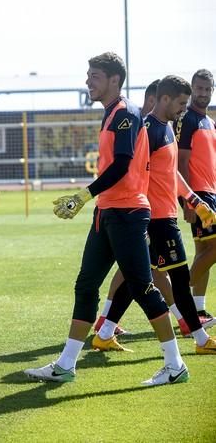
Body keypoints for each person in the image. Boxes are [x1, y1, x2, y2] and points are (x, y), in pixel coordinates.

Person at [24, 52, 188, 386]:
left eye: (94, 75)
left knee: (142, 287)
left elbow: (123, 163)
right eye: (88, 74)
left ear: (115, 80)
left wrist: (83, 195)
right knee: (86, 285)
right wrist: (94, 201)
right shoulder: (111, 113)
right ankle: (66, 365)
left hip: (127, 212)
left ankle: (175, 365)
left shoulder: (125, 113)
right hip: (109, 211)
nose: (88, 81)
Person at [93, 75, 216, 355]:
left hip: (165, 215)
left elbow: (171, 172)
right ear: (164, 99)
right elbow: (135, 173)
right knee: (180, 279)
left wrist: (194, 200)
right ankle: (200, 339)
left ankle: (104, 332)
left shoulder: (168, 127)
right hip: (155, 219)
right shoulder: (147, 129)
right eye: (181, 103)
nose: (183, 108)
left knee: (137, 277)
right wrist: (140, 217)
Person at [93, 79, 162, 336]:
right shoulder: (141, 123)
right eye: (178, 103)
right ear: (156, 100)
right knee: (149, 276)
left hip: (137, 208)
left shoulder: (134, 119)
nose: (182, 109)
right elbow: (124, 165)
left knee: (135, 272)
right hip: (136, 209)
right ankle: (190, 324)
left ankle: (106, 324)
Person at [175, 69, 216, 327]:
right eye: (198, 88)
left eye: (207, 89)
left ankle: (198, 311)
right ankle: (182, 302)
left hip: (211, 193)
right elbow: (180, 162)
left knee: (205, 252)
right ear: (192, 89)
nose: (202, 93)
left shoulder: (209, 121)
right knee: (213, 249)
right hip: (198, 195)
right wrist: (187, 201)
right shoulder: (187, 119)